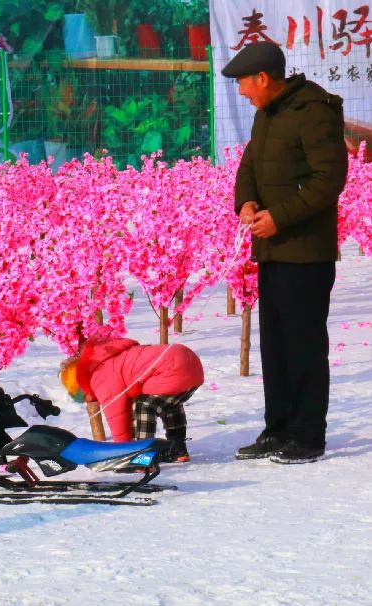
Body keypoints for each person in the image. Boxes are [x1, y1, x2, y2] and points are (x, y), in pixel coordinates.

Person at [222, 42, 348, 464]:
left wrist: (281, 216)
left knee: (305, 345)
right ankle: (277, 430)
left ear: (263, 78)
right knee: (275, 345)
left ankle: (308, 436)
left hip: (306, 252)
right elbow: (249, 168)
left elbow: (328, 180)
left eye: (243, 83)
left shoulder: (314, 112)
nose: (241, 92)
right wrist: (247, 202)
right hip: (273, 251)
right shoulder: (266, 116)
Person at [59, 337, 204, 462]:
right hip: (191, 365)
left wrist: (122, 452)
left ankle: (142, 457)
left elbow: (118, 416)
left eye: (84, 398)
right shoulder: (112, 360)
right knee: (170, 404)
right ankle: (177, 450)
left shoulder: (101, 377)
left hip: (172, 368)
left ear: (82, 386)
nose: (90, 401)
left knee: (144, 406)